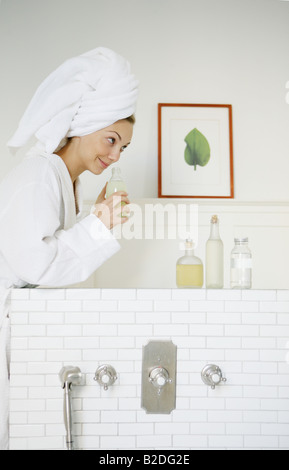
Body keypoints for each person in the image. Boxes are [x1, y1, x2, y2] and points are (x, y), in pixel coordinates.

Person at [0, 47, 138, 288]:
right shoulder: (40, 174)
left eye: (123, 147)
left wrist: (94, 219)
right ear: (84, 126)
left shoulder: (63, 179)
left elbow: (55, 251)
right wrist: (97, 224)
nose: (116, 155)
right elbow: (36, 265)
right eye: (111, 140)